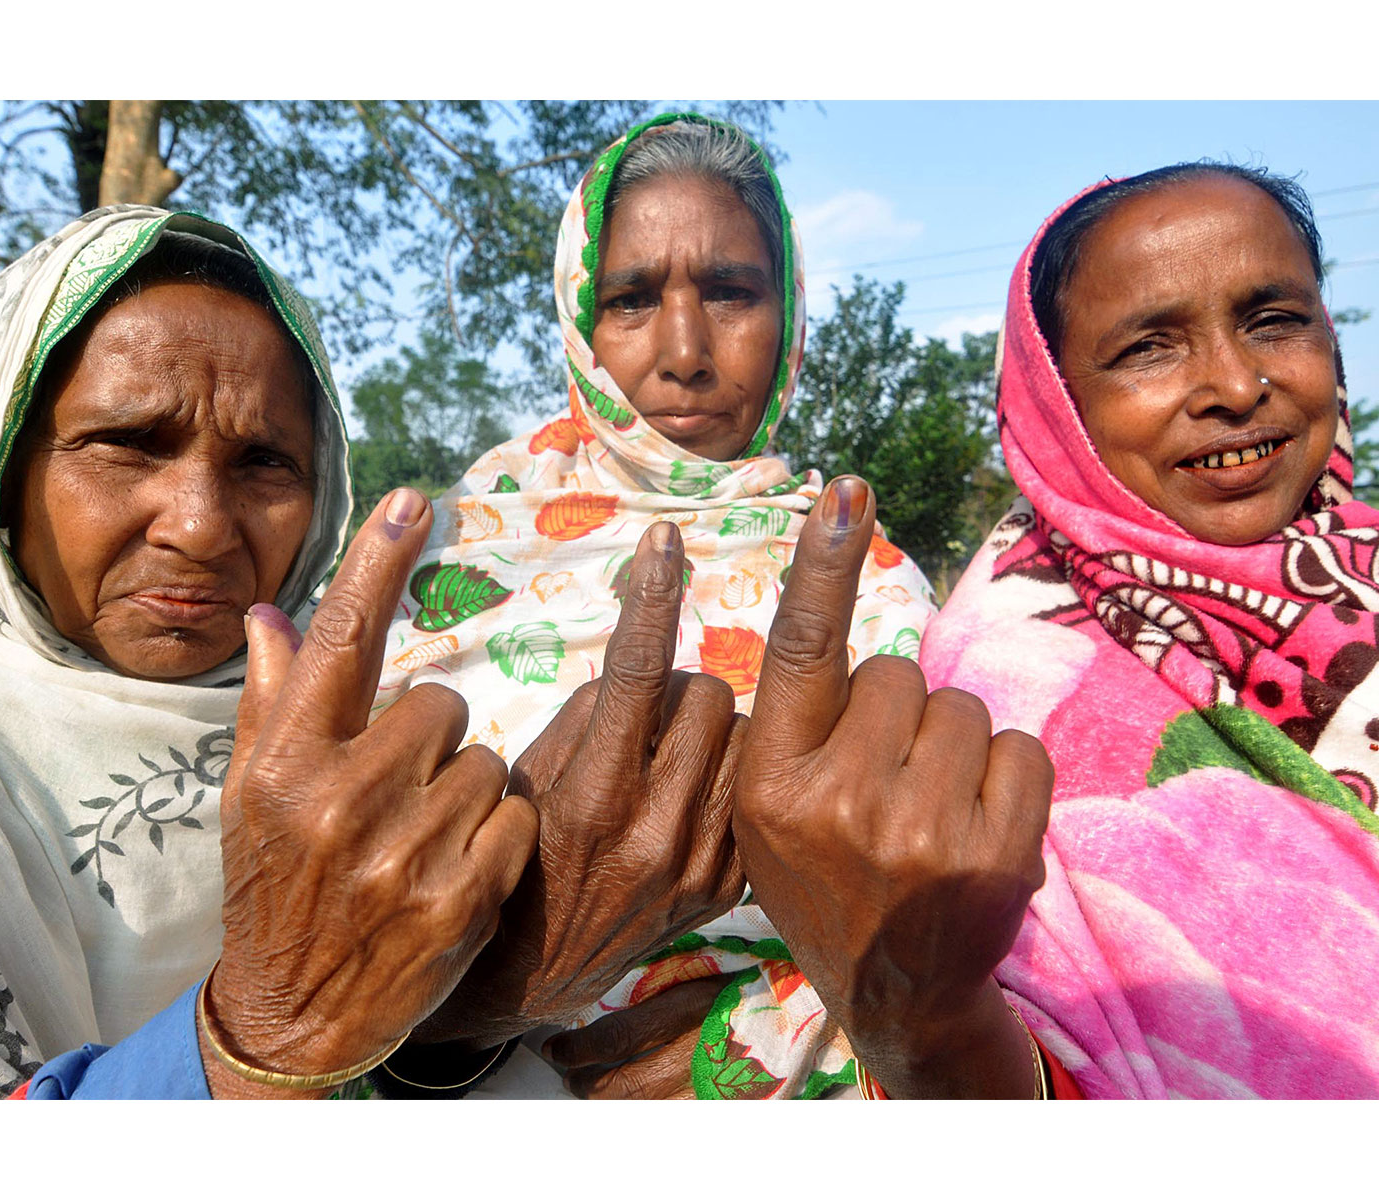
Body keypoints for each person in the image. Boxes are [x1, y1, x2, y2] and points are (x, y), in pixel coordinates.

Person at [370, 115, 950, 1099]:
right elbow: (355, 906)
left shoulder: (863, 570)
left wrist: (784, 1025)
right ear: (577, 318)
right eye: (632, 298)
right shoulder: (453, 554)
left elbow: (952, 918)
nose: (685, 351)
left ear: (790, 313)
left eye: (730, 292)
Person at [0, 207, 539, 1098]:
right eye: (127, 443)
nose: (200, 527)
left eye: (265, 463)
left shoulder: (367, 731)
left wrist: (473, 1013)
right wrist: (272, 1030)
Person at [917, 164, 1379, 1097]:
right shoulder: (1002, 691)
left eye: (1274, 320)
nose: (1236, 383)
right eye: (1149, 347)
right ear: (1054, 399)